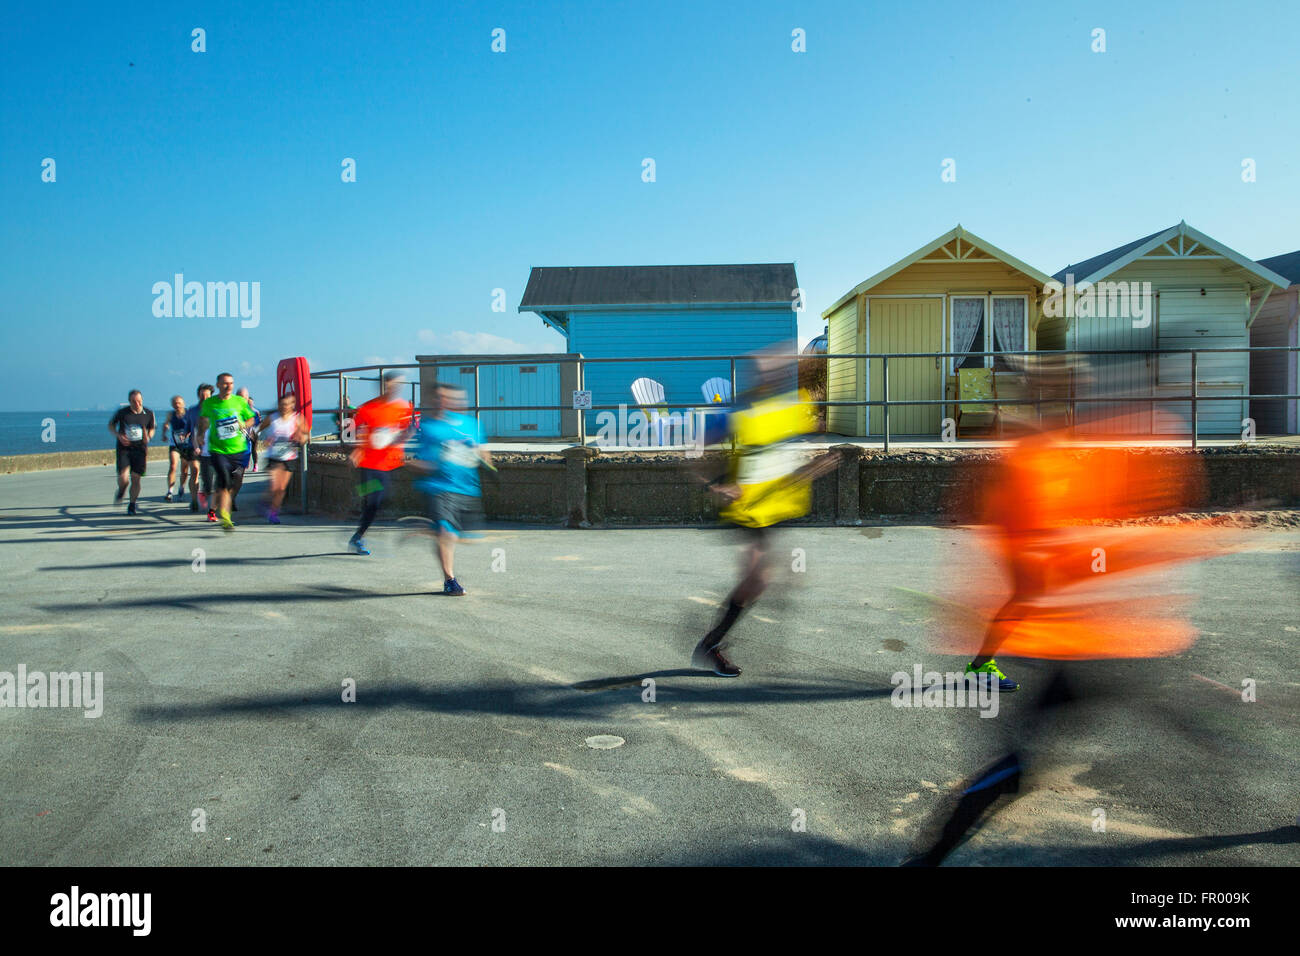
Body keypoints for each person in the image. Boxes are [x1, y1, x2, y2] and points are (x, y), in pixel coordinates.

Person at [690, 352, 840, 677]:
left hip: (774, 510)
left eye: (782, 372)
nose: (777, 378)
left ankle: (713, 642)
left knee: (761, 581)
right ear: (758, 378)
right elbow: (693, 450)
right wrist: (719, 484)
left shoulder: (794, 408)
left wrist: (815, 467)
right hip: (746, 512)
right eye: (769, 373)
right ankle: (710, 646)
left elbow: (792, 454)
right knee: (757, 579)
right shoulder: (740, 410)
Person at [410, 383, 492, 595]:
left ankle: (431, 529)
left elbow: (484, 451)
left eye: (453, 398)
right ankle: (450, 580)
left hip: (466, 488)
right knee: (447, 533)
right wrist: (406, 462)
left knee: (462, 537)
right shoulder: (429, 428)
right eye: (441, 398)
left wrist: (482, 457)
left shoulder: (472, 424)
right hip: (438, 487)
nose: (447, 402)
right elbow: (424, 462)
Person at [346, 371, 415, 555]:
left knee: (379, 499)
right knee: (374, 501)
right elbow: (349, 428)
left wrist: (404, 437)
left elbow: (409, 429)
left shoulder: (404, 407)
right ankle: (358, 537)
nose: (393, 388)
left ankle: (359, 529)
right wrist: (355, 449)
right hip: (368, 463)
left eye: (397, 384)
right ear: (382, 386)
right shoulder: (367, 408)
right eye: (390, 385)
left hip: (389, 463)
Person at [196, 373, 256, 531]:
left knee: (234, 484)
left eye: (231, 383)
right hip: (217, 449)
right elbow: (203, 420)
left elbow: (252, 419)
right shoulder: (210, 403)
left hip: (238, 450)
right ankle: (225, 516)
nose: (229, 386)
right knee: (223, 480)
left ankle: (223, 507)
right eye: (225, 383)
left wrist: (244, 423)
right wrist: (200, 434)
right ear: (218, 385)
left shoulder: (239, 402)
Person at [257, 393, 308, 523]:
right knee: (274, 487)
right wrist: (264, 440)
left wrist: (301, 438)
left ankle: (273, 513)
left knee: (281, 489)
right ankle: (264, 503)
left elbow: (306, 435)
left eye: (287, 404)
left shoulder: (298, 418)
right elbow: (258, 430)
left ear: (292, 405)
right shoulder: (272, 418)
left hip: (289, 457)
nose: (284, 407)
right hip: (273, 456)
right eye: (282, 404)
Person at [107, 390, 155, 515]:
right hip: (124, 448)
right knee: (123, 477)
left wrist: (148, 437)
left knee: (136, 478)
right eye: (134, 401)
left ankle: (132, 504)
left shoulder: (148, 413)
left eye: (139, 401)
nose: (137, 403)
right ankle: (122, 489)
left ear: (142, 400)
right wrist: (118, 435)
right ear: (129, 401)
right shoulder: (122, 413)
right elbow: (111, 425)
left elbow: (152, 428)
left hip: (140, 448)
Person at [185, 383, 215, 517]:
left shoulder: (214, 409)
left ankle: (205, 492)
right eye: (202, 395)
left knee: (210, 477)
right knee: (195, 471)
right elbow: (188, 429)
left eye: (207, 395)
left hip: (212, 448)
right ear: (198, 395)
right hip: (194, 446)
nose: (204, 397)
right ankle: (193, 499)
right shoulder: (192, 411)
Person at [229, 387, 261, 511]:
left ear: (248, 399)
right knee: (227, 477)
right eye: (240, 396)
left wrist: (254, 433)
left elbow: (258, 425)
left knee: (238, 478)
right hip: (227, 449)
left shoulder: (252, 413)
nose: (242, 399)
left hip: (244, 450)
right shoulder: (230, 410)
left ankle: (232, 497)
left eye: (245, 397)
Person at [162, 395, 195, 502]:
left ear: (183, 404)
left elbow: (192, 426)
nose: (177, 405)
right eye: (175, 403)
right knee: (173, 465)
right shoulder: (170, 414)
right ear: (172, 404)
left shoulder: (188, 413)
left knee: (184, 469)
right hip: (175, 443)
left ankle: (181, 487)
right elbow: (166, 424)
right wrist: (164, 433)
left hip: (186, 444)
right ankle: (170, 491)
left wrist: (187, 434)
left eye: (179, 403)